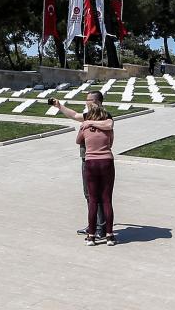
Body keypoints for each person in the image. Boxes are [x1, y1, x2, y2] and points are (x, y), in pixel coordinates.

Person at [49, 93, 116, 246]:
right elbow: (73, 114)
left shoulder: (105, 115)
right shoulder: (88, 116)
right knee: (89, 195)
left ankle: (99, 228)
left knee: (98, 197)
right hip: (88, 158)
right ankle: (95, 226)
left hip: (94, 160)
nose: (86, 103)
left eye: (89, 100)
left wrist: (88, 124)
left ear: (97, 102)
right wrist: (59, 106)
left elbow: (109, 125)